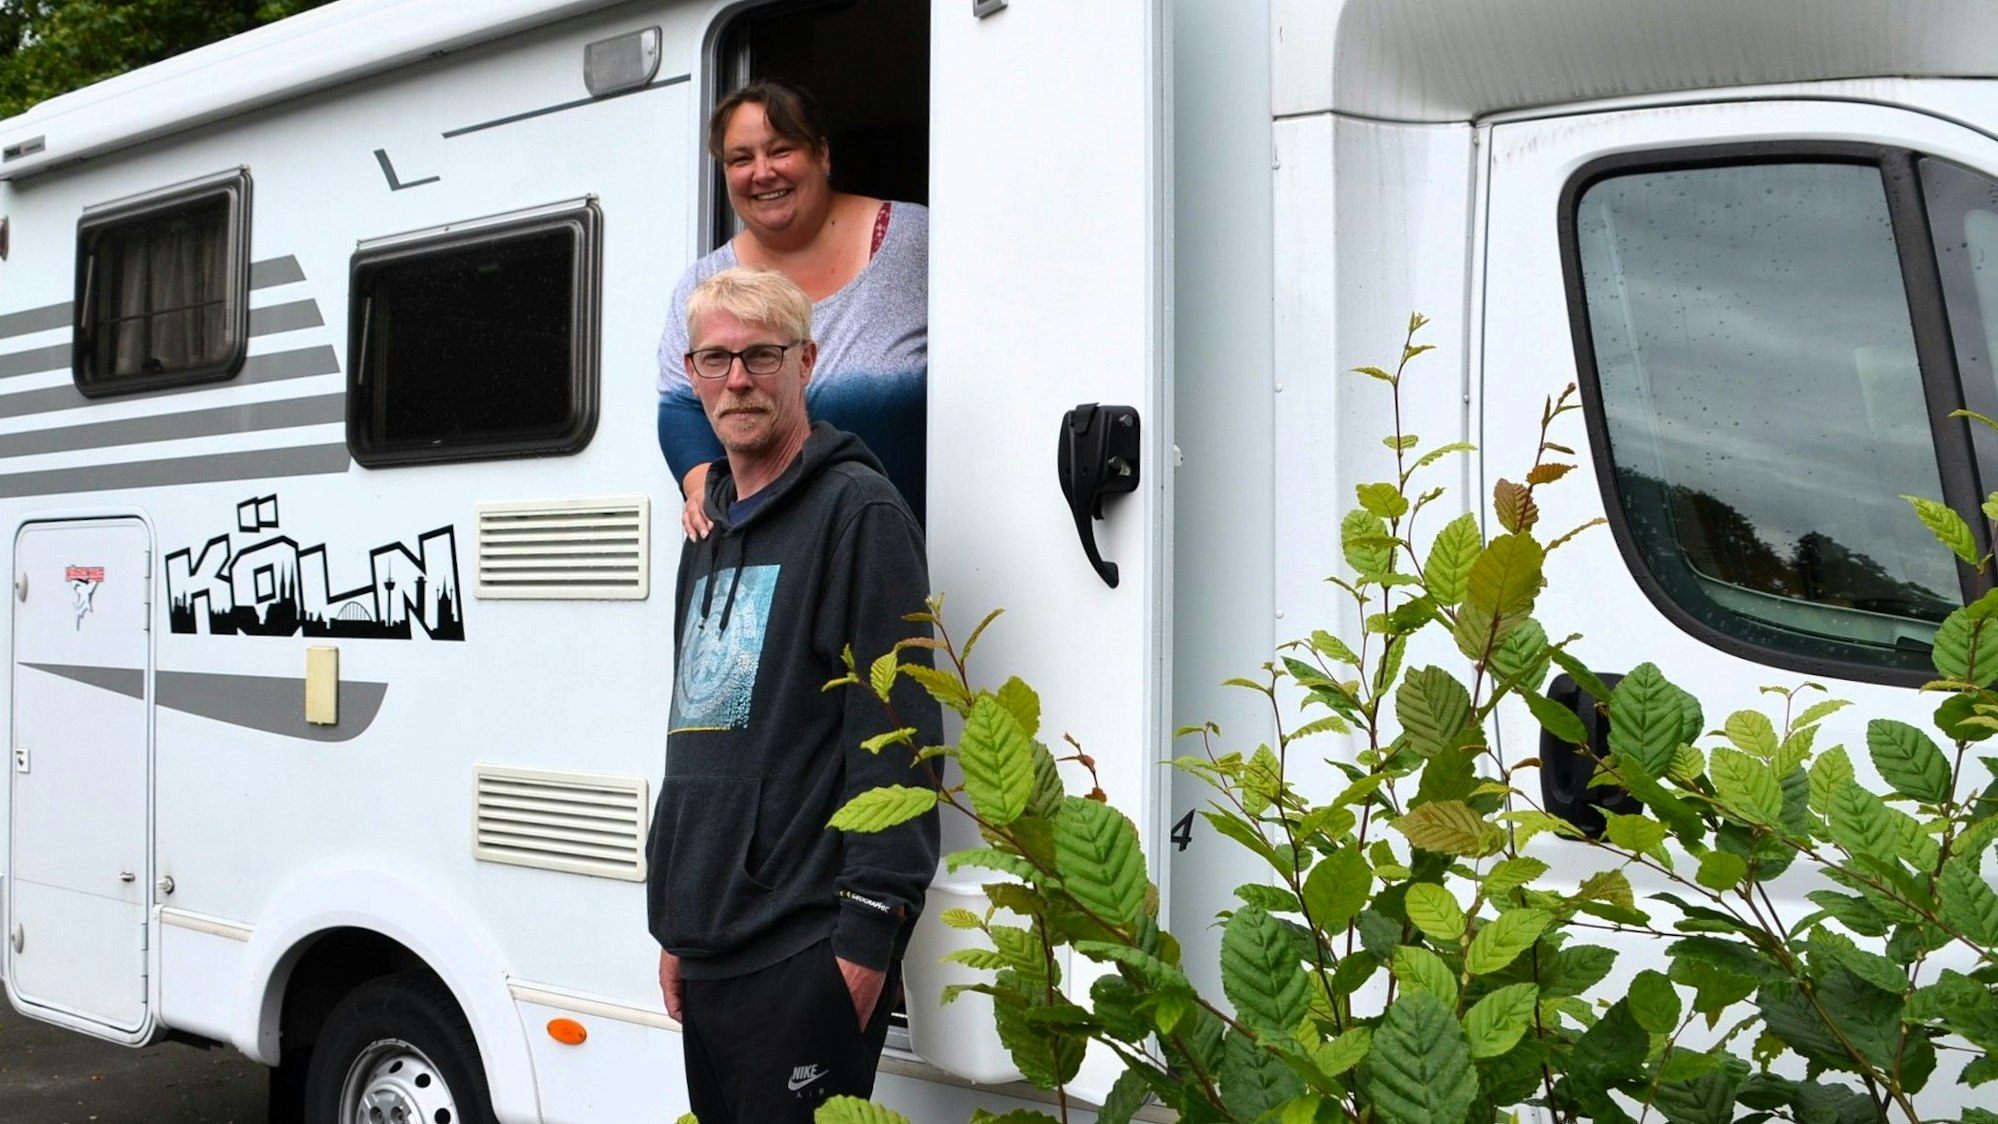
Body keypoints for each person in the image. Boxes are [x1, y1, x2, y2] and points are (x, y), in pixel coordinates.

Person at [647, 266, 942, 1123]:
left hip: (804, 950)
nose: (737, 379)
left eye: (761, 356)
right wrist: (678, 919)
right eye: (715, 359)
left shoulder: (860, 514)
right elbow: (698, 734)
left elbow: (897, 735)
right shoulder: (708, 528)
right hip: (710, 943)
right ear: (694, 375)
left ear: (806, 361)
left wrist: (868, 938)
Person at [656, 79, 927, 539]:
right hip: (774, 551)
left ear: (822, 154)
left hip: (906, 541)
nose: (762, 173)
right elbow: (681, 406)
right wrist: (706, 491)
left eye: (780, 150)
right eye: (741, 159)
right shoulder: (704, 283)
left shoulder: (915, 242)